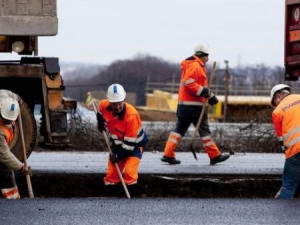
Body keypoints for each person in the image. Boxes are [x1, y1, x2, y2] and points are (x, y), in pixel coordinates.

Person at [161, 42, 230, 165]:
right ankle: (214, 156)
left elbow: (200, 87)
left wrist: (210, 96)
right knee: (204, 131)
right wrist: (206, 93)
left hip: (185, 106)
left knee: (179, 130)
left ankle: (168, 154)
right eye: (207, 56)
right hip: (195, 107)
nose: (208, 59)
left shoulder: (192, 65)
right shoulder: (195, 66)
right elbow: (190, 84)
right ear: (202, 55)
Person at [97, 83, 148, 185]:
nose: (117, 107)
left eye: (120, 103)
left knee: (129, 173)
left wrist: (117, 156)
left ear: (124, 99)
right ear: (109, 102)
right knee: (111, 175)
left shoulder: (131, 115)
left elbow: (129, 145)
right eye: (114, 104)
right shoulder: (104, 105)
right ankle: (112, 195)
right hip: (118, 144)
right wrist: (100, 123)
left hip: (135, 146)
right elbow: (100, 112)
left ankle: (131, 193)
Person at [270, 84, 300, 199]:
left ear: (278, 97)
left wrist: (287, 154)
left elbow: (281, 139)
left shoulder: (277, 112)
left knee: (288, 186)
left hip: (296, 151)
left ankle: (284, 213)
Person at [0, 90, 31, 199]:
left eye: (11, 119)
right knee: (6, 170)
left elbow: (5, 92)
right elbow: (4, 155)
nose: (9, 122)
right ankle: (12, 199)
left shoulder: (3, 99)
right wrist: (21, 167)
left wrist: (17, 98)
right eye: (6, 119)